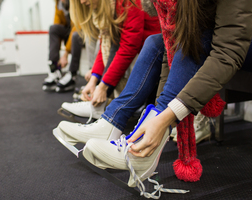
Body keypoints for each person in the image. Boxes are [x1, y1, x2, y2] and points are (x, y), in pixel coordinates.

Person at [54, 0, 252, 198]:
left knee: (194, 37)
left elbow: (229, 50)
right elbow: (170, 49)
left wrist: (166, 118)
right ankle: (112, 123)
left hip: (241, 42)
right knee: (156, 43)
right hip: (212, 37)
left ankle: (142, 146)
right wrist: (160, 113)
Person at [58, 0, 161, 120]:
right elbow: (105, 46)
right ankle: (100, 104)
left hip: (159, 54)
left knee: (116, 44)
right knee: (112, 42)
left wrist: (103, 86)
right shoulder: (110, 7)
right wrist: (93, 80)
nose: (82, 1)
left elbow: (129, 47)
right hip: (145, 51)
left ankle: (102, 107)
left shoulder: (127, 3)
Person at [42, 0, 84, 92]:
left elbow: (77, 26)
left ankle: (72, 74)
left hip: (82, 30)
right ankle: (55, 70)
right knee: (53, 28)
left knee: (76, 35)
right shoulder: (58, 3)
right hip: (69, 31)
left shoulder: (76, 2)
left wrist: (65, 53)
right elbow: (58, 23)